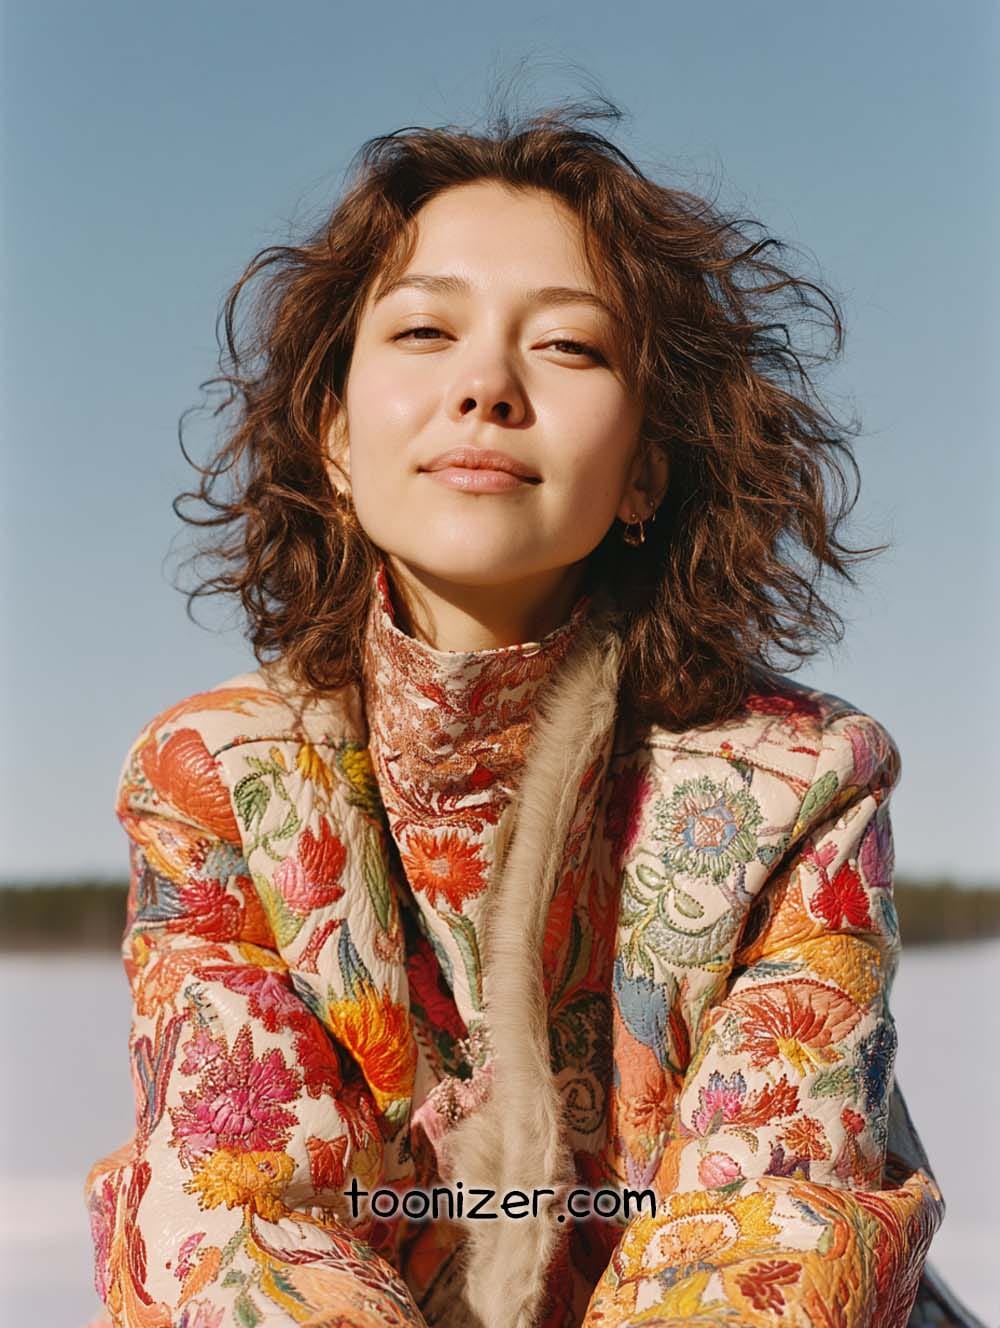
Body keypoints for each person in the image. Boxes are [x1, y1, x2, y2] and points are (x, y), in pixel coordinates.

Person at [84, 100, 979, 1328]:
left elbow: (773, 1228)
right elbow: (242, 1220)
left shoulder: (798, 782)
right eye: (422, 328)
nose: (485, 385)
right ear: (335, 436)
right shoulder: (218, 780)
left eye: (566, 347)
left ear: (645, 470)